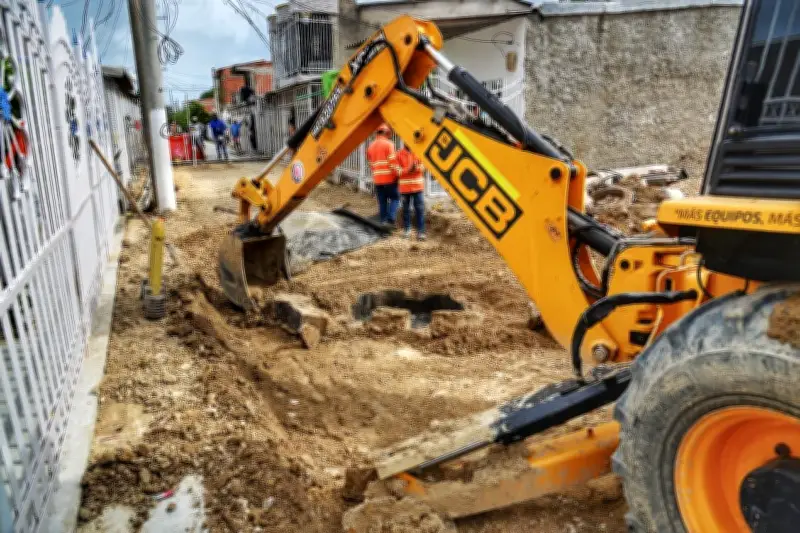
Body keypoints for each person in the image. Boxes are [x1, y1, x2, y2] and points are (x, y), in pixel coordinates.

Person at [366, 124, 400, 226]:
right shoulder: (389, 144)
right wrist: (398, 175)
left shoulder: (370, 147)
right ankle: (391, 218)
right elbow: (393, 163)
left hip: (377, 180)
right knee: (395, 198)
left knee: (382, 202)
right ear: (386, 132)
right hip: (389, 178)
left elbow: (371, 165)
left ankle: (383, 222)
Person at [396, 142, 426, 240]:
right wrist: (408, 170)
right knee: (406, 210)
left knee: (420, 209)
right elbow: (397, 171)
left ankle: (421, 232)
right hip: (405, 188)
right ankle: (407, 230)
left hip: (418, 187)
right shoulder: (398, 154)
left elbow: (423, 167)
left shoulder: (419, 152)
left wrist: (415, 168)